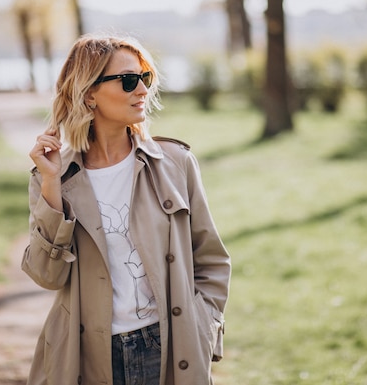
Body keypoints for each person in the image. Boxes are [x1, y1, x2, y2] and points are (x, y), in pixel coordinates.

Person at [23, 34, 231, 385]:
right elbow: (47, 276)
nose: (142, 90)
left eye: (144, 78)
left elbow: (211, 261)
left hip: (168, 350)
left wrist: (202, 325)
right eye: (129, 80)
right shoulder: (56, 177)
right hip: (87, 357)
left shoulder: (175, 164)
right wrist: (50, 186)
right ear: (89, 93)